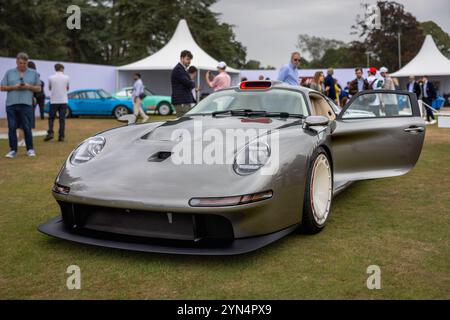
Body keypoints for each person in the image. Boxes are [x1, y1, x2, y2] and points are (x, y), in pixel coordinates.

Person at [1, 52, 41, 158]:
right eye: (20, 63)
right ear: (16, 62)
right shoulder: (9, 73)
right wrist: (14, 87)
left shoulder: (33, 73)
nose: (22, 65)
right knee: (12, 127)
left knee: (27, 127)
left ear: (27, 62)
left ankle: (30, 149)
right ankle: (13, 150)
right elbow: (2, 87)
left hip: (26, 104)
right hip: (11, 104)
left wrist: (28, 86)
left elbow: (38, 88)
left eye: (24, 63)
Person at [44, 63, 70, 142]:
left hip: (54, 101)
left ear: (55, 69)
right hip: (63, 100)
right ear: (62, 68)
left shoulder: (51, 77)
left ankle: (50, 133)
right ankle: (61, 136)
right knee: (62, 119)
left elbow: (49, 88)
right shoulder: (67, 77)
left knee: (51, 118)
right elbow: (67, 88)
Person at [171, 50, 196, 117]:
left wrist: (191, 82)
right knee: (183, 124)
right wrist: (193, 82)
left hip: (184, 101)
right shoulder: (179, 69)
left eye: (190, 59)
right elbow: (188, 83)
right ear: (181, 58)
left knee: (186, 123)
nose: (189, 61)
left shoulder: (182, 69)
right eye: (187, 59)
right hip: (181, 101)